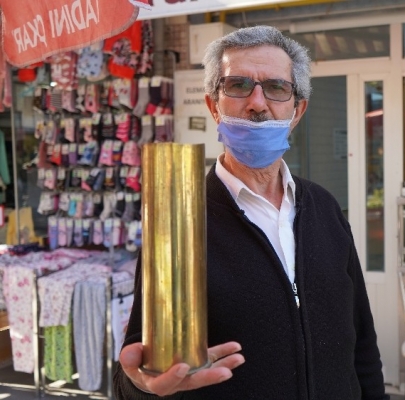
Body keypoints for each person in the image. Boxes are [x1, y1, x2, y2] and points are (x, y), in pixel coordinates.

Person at [113, 26, 388, 400]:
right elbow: (141, 372)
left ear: (297, 110)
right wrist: (144, 387)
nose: (258, 103)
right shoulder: (179, 222)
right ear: (213, 106)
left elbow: (362, 342)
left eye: (276, 88)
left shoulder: (324, 207)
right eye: (238, 85)